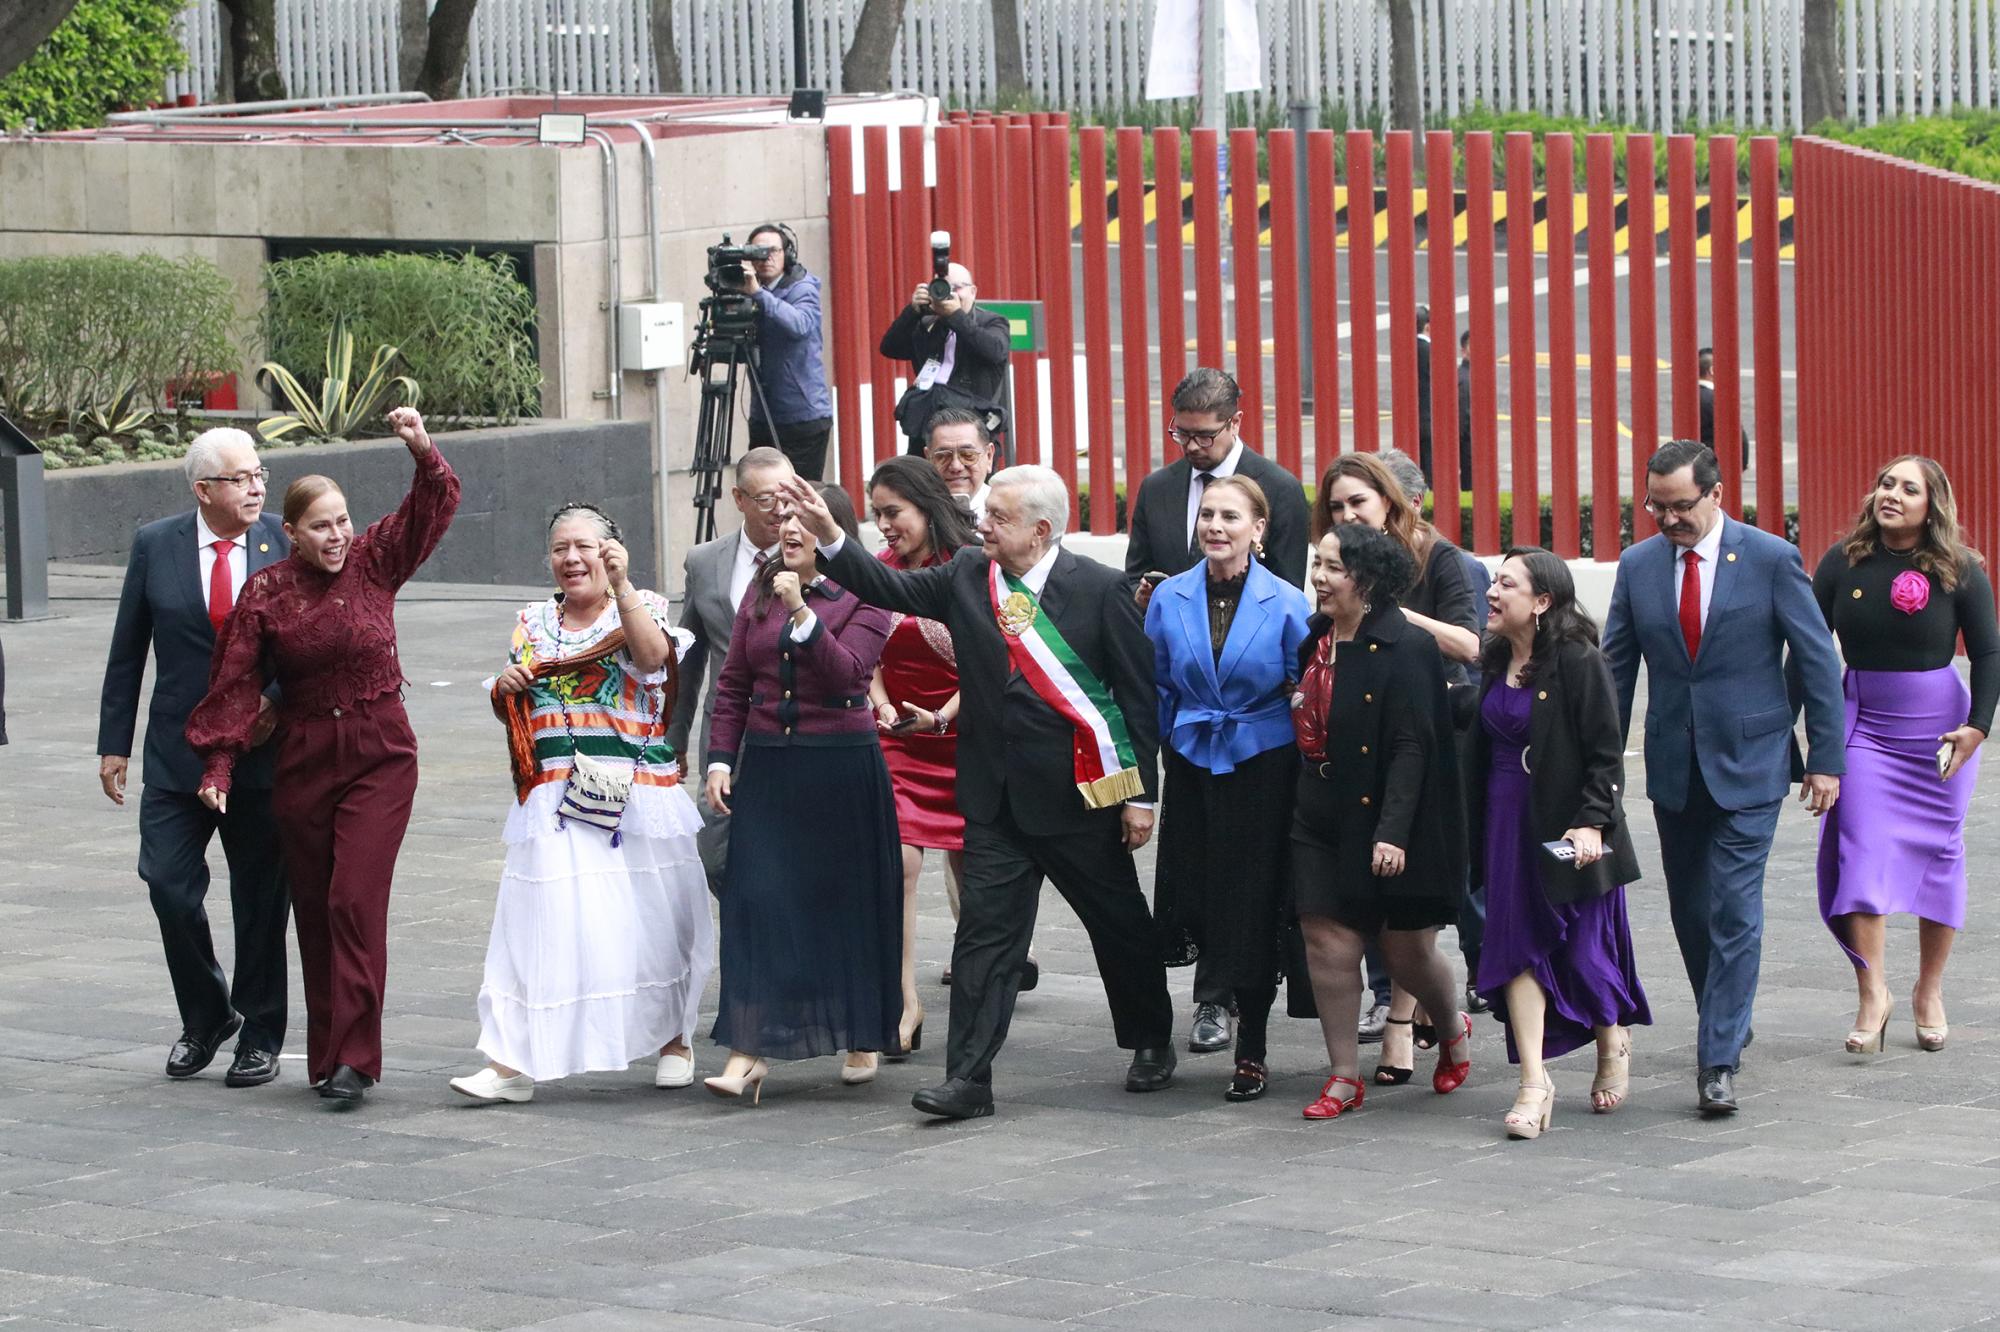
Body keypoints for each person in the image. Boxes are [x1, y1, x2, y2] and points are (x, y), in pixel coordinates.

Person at [785, 465, 1176, 1120]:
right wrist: (831, 537)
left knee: (1120, 928)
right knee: (983, 942)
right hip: (995, 800)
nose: (981, 525)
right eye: (983, 514)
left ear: (1042, 529)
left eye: (997, 517)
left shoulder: (1102, 590)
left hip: (1079, 796)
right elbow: (885, 585)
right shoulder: (968, 574)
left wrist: (1141, 796)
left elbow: (1137, 699)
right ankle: (968, 1079)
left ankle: (1150, 1039)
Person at [187, 407, 461, 1108]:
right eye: (320, 526)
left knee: (352, 899)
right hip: (304, 758)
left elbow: (433, 506)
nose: (337, 535)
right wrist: (218, 767)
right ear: (291, 534)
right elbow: (235, 684)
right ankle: (328, 1057)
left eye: (342, 520)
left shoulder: (376, 560)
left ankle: (359, 1061)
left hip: (380, 750)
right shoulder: (267, 593)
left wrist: (421, 449)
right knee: (312, 907)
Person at [1602, 439, 1845, 1115]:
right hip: (1676, 766)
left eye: (1682, 505)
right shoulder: (1639, 566)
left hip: (1753, 760)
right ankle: (1729, 1015)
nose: (1669, 518)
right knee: (1690, 910)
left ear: (1715, 495)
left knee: (1733, 908)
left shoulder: (1770, 558)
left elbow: (1818, 662)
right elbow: (1614, 673)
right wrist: (1598, 772)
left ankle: (1716, 1060)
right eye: (1657, 505)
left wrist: (1825, 757)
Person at [448, 504, 716, 1104]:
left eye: (584, 547)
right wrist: (505, 685)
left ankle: (674, 1039)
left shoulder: (641, 607)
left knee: (652, 922)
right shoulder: (532, 621)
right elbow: (517, 692)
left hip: (634, 794)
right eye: (560, 548)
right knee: (537, 923)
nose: (572, 558)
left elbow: (652, 661)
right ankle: (510, 1063)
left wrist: (622, 587)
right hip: (554, 794)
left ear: (610, 551)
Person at [96, 427, 290, 1087]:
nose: (257, 486)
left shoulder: (283, 545)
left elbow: (316, 640)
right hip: (177, 754)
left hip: (261, 754)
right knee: (169, 885)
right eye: (240, 478)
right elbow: (130, 649)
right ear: (203, 489)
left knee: (262, 900)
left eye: (260, 473)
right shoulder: (157, 546)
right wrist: (113, 743)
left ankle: (261, 1032)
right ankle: (208, 1015)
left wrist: (274, 700)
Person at [1126, 367, 1311, 1055]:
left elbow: (1291, 603)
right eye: (1181, 434)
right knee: (1196, 871)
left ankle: (1244, 1000)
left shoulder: (1281, 488)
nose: (1193, 447)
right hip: (1192, 729)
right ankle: (1210, 993)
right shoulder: (1157, 487)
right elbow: (1135, 575)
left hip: (1259, 732)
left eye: (1205, 435)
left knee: (1254, 873)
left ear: (1236, 423)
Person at [701, 485, 901, 1101]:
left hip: (840, 769)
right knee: (755, 900)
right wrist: (716, 760)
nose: (787, 530)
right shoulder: (760, 591)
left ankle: (862, 1031)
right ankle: (747, 1049)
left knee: (844, 900)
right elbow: (733, 683)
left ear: (831, 531)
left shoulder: (866, 596)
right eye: (782, 520)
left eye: (801, 522)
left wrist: (804, 617)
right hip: (768, 767)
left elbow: (848, 675)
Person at [1808, 456, 1996, 1055]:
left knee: (1940, 854)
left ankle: (1929, 990)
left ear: (1931, 504)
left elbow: (1989, 653)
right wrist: (1811, 740)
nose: (1892, 494)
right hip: (1864, 725)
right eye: (1887, 484)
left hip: (1939, 731)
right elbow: (1810, 652)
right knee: (1859, 847)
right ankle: (1873, 992)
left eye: (1908, 489)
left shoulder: (1960, 569)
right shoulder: (1842, 562)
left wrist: (1977, 728)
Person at [1289, 521, 1472, 1120]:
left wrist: (1391, 831)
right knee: (1326, 939)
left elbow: (1412, 746)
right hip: (1319, 811)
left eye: (1334, 568)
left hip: (1395, 816)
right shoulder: (1313, 639)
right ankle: (1343, 1074)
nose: (1320, 578)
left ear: (1367, 579)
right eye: (1318, 564)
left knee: (1405, 951)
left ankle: (1450, 1029)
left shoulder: (1406, 646)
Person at [1466, 549, 1651, 1139]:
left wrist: (1594, 822)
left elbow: (1605, 753)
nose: (1493, 593)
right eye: (1494, 581)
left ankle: (1610, 1044)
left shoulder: (1578, 660)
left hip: (1567, 822)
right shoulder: (1494, 657)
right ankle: (1532, 1081)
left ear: (1542, 601)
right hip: (1503, 818)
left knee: (1584, 951)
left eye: (1507, 584)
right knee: (1516, 945)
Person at [1314, 450, 1481, 1081]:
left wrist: (1381, 606)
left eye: (1359, 501)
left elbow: (1471, 645)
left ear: (1391, 501)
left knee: (1409, 901)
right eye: (1337, 505)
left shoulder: (1438, 560)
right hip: (1353, 749)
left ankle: (1404, 1022)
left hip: (1428, 732)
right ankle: (1393, 1014)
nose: (1350, 513)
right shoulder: (1329, 572)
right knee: (1362, 897)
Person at [866, 456, 982, 1051]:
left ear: (925, 506)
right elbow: (867, 655)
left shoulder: (969, 566)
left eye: (894, 513)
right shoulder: (876, 570)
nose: (884, 525)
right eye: (877, 514)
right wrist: (883, 705)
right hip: (896, 739)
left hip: (964, 737)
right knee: (900, 862)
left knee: (976, 873)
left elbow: (994, 660)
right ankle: (902, 1000)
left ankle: (982, 991)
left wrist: (940, 717)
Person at [1379, 445, 1493, 1021]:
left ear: (1413, 505)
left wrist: (1389, 617)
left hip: (1447, 724)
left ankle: (1482, 968)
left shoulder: (1453, 564)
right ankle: (1389, 994)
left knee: (1463, 858)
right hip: (1380, 725)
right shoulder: (1352, 559)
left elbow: (1473, 648)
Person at [666, 447, 796, 888]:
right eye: (765, 500)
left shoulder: (814, 555)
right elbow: (689, 655)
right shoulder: (705, 562)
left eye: (787, 497)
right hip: (727, 726)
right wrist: (674, 736)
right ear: (739, 498)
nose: (780, 511)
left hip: (795, 721)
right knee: (716, 847)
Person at [880, 259, 1011, 454]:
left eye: (957, 288)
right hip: (927, 422)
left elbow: (994, 351)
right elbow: (890, 348)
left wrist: (956, 316)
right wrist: (913, 311)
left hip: (971, 423)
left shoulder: (991, 322)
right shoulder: (928, 324)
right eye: (944, 288)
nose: (950, 294)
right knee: (922, 481)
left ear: (973, 292)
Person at [743, 222, 833, 480]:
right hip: (764, 415)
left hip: (802, 417)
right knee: (762, 490)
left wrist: (758, 294)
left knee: (800, 497)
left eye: (774, 250)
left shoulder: (802, 288)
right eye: (759, 252)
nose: (767, 258)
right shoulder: (748, 289)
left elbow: (800, 325)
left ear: (787, 254)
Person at [925, 407, 997, 519]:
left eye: (968, 455)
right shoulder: (914, 516)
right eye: (943, 456)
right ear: (928, 458)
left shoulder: (1010, 513)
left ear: (989, 456)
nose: (956, 466)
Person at [1697, 347, 1749, 473]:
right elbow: (1736, 433)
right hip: (1718, 466)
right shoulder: (1717, 399)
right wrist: (1742, 462)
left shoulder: (1690, 396)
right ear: (1712, 370)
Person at [1415, 305, 1434, 484]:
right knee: (1429, 471)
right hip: (1430, 417)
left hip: (1412, 418)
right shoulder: (1431, 351)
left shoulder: (1406, 349)